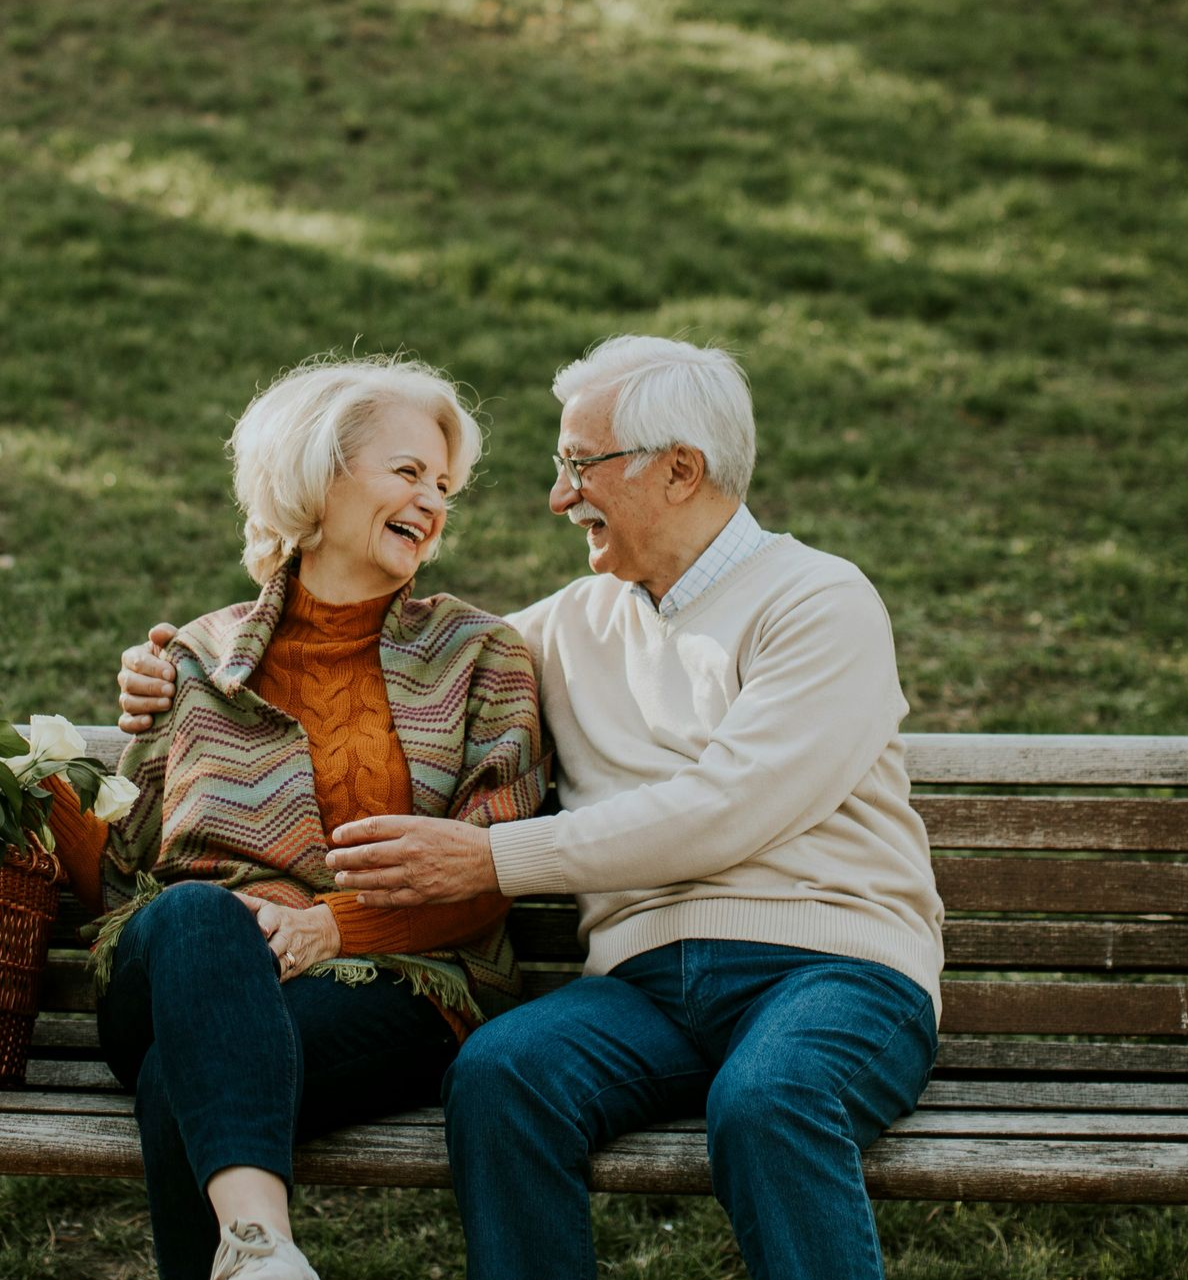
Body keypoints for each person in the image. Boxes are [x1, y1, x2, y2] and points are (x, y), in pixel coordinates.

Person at [120, 336, 944, 1280]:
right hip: (648, 988)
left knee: (767, 1101)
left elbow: (731, 807)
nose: (558, 498)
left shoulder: (817, 600)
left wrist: (494, 863)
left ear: (680, 470)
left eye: (578, 466)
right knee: (504, 1075)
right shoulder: (566, 626)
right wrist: (172, 675)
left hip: (832, 969)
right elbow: (369, 653)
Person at [69, 353, 545, 1280]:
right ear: (316, 475)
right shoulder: (200, 656)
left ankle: (258, 1247)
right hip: (192, 968)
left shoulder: (483, 657)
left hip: (399, 979)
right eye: (407, 471)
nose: (432, 500)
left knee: (183, 1080)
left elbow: (494, 865)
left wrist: (333, 926)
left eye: (443, 484)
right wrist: (24, 783)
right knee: (200, 916)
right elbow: (125, 877)